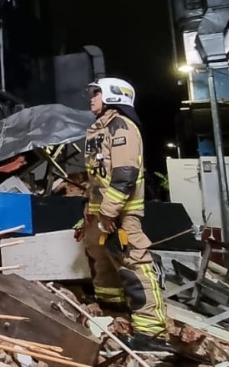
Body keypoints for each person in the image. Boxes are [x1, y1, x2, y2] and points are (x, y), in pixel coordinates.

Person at [74, 77, 170, 353]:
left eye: (96, 93)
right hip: (99, 214)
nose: (91, 98)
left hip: (120, 215)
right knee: (100, 258)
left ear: (114, 96)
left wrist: (108, 213)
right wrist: (89, 213)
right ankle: (113, 308)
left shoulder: (123, 128)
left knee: (134, 262)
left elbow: (124, 176)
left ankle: (152, 333)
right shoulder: (98, 130)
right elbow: (97, 178)